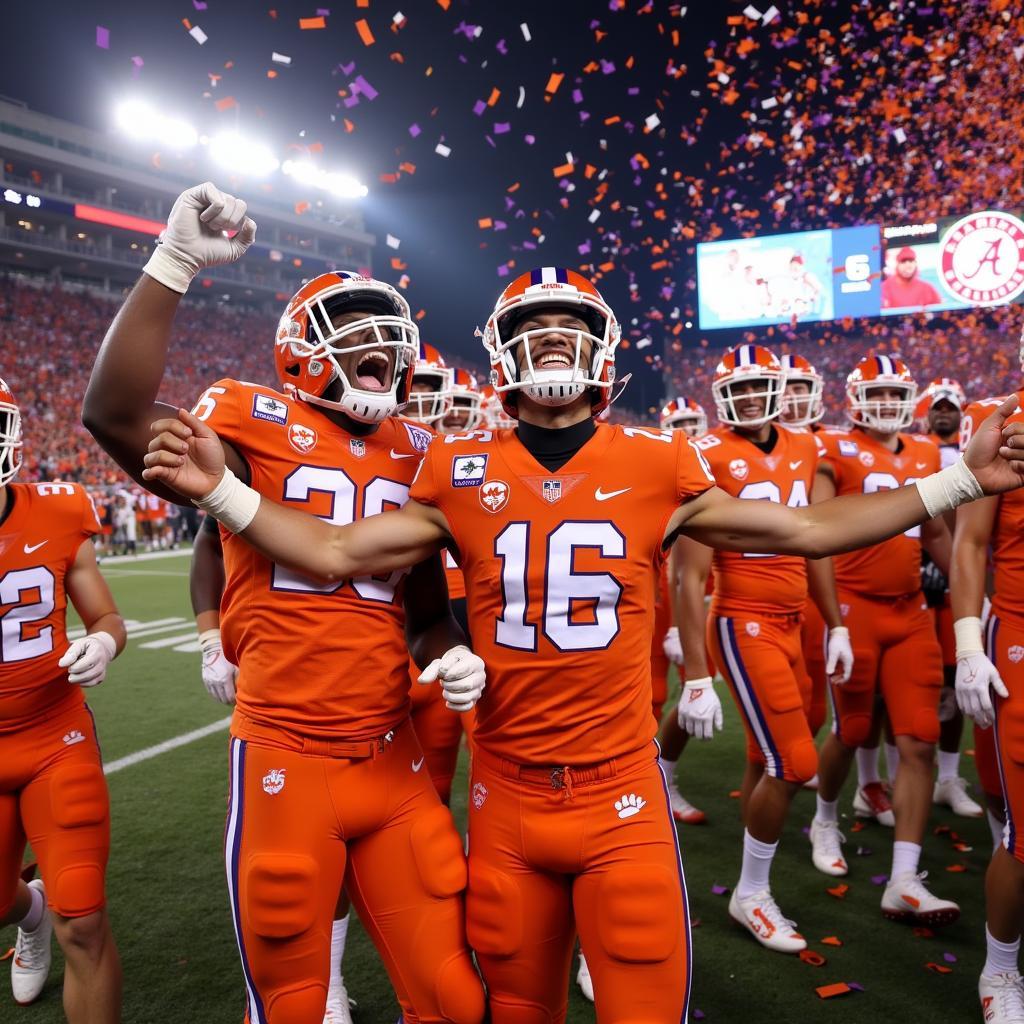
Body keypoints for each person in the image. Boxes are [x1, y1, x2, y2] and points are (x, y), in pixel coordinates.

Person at [138, 193, 1024, 1018]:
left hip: (620, 787)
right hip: (507, 787)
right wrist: (225, 499)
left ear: (603, 349)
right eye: (534, 324)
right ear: (503, 350)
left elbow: (807, 529)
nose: (554, 336)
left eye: (572, 324)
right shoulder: (452, 468)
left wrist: (956, 481)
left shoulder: (654, 463)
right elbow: (332, 551)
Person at [82, 183, 486, 1024]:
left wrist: (445, 649)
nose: (378, 346)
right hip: (286, 751)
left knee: (451, 995)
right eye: (354, 330)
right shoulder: (245, 413)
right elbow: (114, 414)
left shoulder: (419, 444)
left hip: (392, 750)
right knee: (290, 1003)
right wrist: (176, 259)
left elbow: (421, 607)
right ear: (303, 348)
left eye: (388, 334)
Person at [673, 344, 852, 953]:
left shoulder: (806, 446)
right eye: (738, 389)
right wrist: (697, 673)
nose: (750, 398)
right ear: (722, 397)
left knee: (766, 752)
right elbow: (688, 575)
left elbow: (819, 539)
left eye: (758, 386)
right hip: (743, 618)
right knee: (793, 763)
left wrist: (836, 623)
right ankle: (750, 894)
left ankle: (752, 866)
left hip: (794, 616)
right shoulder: (710, 453)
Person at [808, 354, 961, 926]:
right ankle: (825, 817)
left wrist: (977, 600)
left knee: (919, 739)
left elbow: (938, 531)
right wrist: (835, 623)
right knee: (849, 730)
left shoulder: (924, 452)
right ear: (854, 399)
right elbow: (815, 537)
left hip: (912, 611)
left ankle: (903, 878)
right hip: (857, 607)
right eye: (875, 392)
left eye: (895, 392)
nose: (886, 403)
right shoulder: (833, 451)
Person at [190, 515, 357, 1024]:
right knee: (293, 853)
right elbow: (209, 541)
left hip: (395, 659)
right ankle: (325, 981)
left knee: (412, 845)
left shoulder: (416, 451)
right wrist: (208, 636)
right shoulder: (266, 435)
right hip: (293, 679)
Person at [0, 376, 126, 1022]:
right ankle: (31, 914)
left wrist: (101, 646)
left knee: (86, 923)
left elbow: (108, 620)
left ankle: (57, 916)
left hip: (55, 739)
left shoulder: (54, 510)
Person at [953, 380, 1024, 1023]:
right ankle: (1000, 968)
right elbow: (970, 540)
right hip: (1022, 633)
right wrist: (969, 643)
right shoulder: (1001, 418)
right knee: (1023, 834)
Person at [916, 378, 985, 818]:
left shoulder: (975, 447)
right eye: (936, 407)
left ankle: (947, 775)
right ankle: (873, 779)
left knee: (955, 681)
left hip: (959, 573)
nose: (944, 414)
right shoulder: (914, 448)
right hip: (920, 578)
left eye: (950, 407)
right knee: (914, 687)